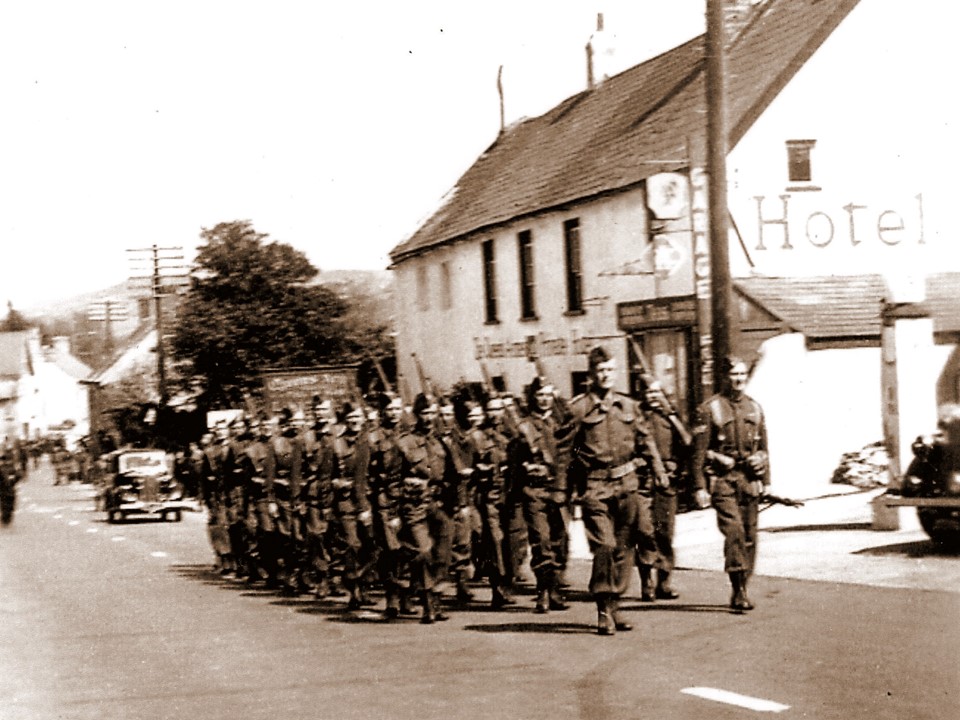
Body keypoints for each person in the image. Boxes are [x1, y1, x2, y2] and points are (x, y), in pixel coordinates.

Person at [566, 345, 668, 636]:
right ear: (591, 374)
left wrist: (659, 470)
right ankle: (602, 606)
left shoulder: (628, 406)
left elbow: (645, 441)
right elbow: (565, 453)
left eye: (610, 370)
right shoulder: (578, 409)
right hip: (595, 487)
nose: (606, 375)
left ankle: (615, 604)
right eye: (600, 370)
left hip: (627, 486)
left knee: (624, 549)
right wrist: (564, 489)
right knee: (605, 546)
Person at [692, 356, 770, 613]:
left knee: (749, 536)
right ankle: (738, 590)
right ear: (725, 377)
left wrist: (766, 480)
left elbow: (764, 447)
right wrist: (699, 487)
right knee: (734, 531)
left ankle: (743, 583)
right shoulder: (710, 409)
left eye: (742, 374)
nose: (738, 379)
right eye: (734, 374)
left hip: (748, 481)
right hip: (723, 482)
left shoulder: (754, 407)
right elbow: (698, 453)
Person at [513, 376, 570, 614]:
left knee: (560, 540)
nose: (545, 400)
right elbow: (514, 461)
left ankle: (555, 587)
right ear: (532, 397)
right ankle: (544, 591)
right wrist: (526, 467)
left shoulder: (562, 423)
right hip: (535, 490)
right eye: (540, 395)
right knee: (541, 540)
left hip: (560, 490)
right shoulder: (524, 426)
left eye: (548, 395)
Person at [636, 380, 690, 601]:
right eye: (649, 391)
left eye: (657, 391)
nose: (653, 396)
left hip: (667, 482)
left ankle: (664, 581)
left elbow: (688, 442)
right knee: (644, 531)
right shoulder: (636, 415)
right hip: (642, 481)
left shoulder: (671, 417)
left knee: (665, 531)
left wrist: (671, 415)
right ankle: (646, 581)